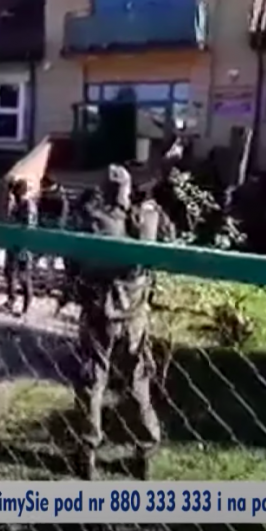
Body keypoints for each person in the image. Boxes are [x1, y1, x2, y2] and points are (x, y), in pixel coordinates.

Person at [71, 164, 161, 480]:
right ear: (127, 189)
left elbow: (73, 261)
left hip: (100, 311)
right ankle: (146, 450)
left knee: (92, 381)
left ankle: (87, 451)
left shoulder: (92, 221)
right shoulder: (146, 219)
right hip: (135, 313)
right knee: (137, 381)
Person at [3, 179, 37, 315]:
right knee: (9, 272)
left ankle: (26, 305)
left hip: (24, 245)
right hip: (13, 243)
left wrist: (23, 244)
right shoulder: (16, 204)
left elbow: (28, 226)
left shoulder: (28, 205)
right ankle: (11, 299)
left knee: (24, 275)